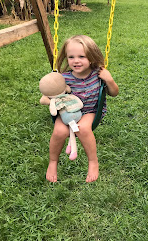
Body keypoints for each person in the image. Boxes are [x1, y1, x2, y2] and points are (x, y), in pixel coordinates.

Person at [46, 35, 119, 183]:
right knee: (59, 131)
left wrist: (109, 79)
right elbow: (49, 94)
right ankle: (53, 162)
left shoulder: (98, 74)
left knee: (83, 128)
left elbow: (114, 93)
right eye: (71, 57)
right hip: (68, 112)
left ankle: (93, 162)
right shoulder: (63, 78)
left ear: (91, 57)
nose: (76, 61)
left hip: (90, 111)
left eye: (82, 56)